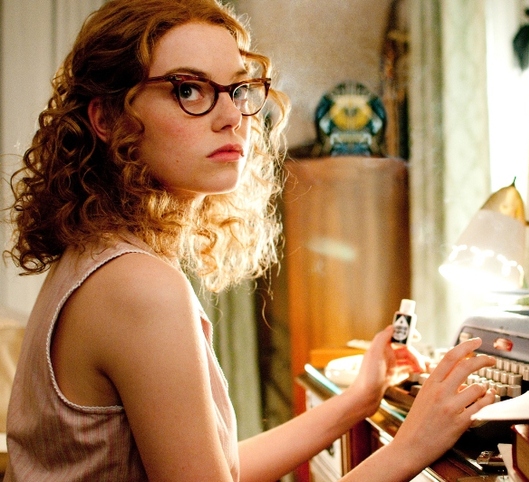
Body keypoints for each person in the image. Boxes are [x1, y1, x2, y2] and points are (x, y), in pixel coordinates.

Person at [3, 0, 497, 480]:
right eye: (189, 90)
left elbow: (221, 469)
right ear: (107, 119)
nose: (232, 117)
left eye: (237, 89)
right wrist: (413, 445)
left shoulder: (102, 256)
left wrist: (359, 399)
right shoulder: (138, 286)